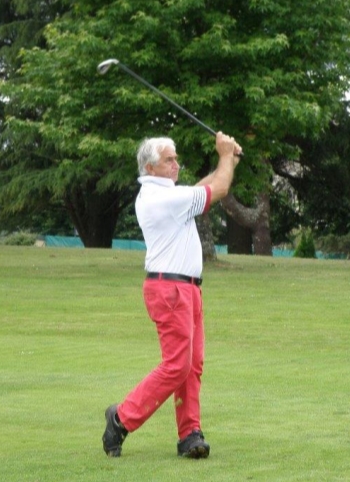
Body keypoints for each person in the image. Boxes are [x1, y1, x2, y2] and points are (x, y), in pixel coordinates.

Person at [102, 131, 242, 459]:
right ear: (150, 168)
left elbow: (202, 188)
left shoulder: (168, 195)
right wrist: (224, 155)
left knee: (192, 365)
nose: (176, 165)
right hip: (171, 289)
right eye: (169, 160)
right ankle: (121, 418)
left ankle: (190, 434)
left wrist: (229, 161)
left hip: (186, 288)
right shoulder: (161, 198)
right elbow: (218, 188)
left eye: (176, 158)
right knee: (177, 365)